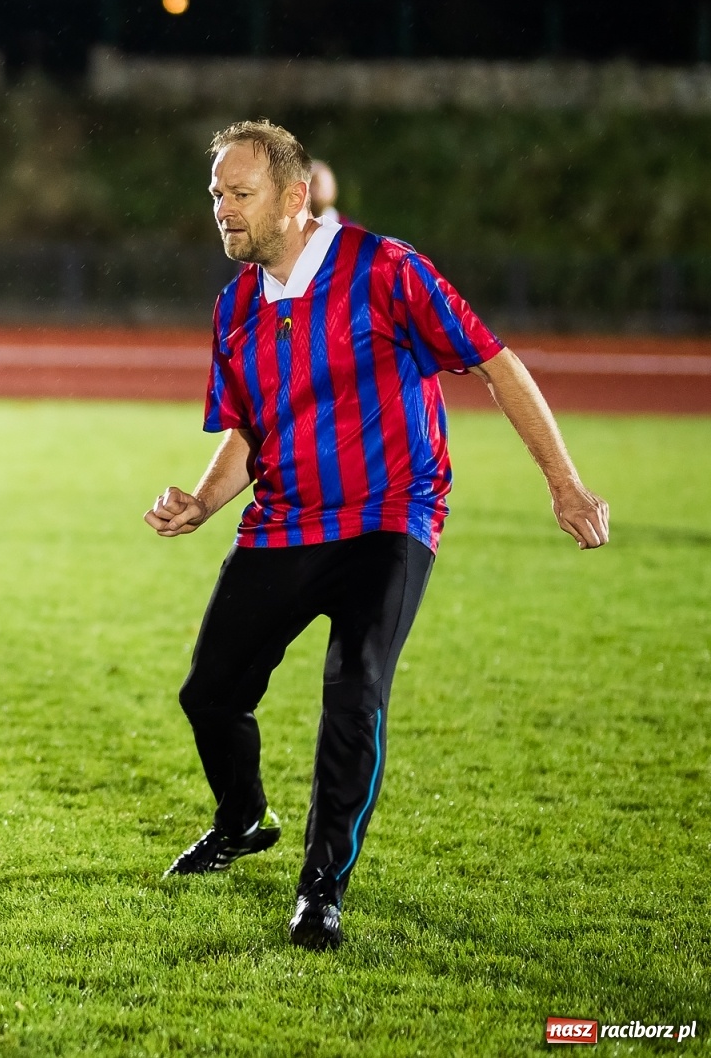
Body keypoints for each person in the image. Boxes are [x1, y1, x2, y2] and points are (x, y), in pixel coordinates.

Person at [145, 120, 608, 951]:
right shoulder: (236, 305)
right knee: (209, 694)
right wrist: (203, 503)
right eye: (216, 193)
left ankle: (322, 888)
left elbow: (497, 363)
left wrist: (564, 482)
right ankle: (244, 818)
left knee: (354, 689)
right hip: (285, 523)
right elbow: (250, 427)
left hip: (391, 516)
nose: (222, 209)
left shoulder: (384, 269)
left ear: (294, 198)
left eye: (239, 194)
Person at [306, 159, 354, 227]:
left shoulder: (351, 232)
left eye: (319, 184)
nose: (315, 190)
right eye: (311, 184)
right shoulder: (289, 230)